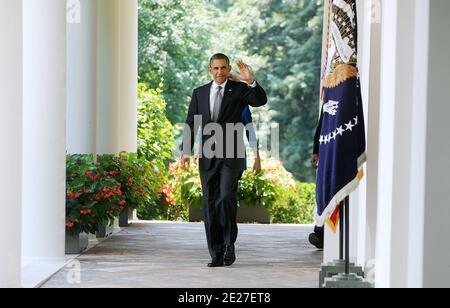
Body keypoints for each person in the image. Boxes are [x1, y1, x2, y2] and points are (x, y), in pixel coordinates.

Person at [181, 54, 268, 267]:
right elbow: (191, 122)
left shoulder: (238, 90)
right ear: (210, 69)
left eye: (223, 68)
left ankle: (229, 244)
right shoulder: (199, 93)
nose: (219, 72)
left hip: (232, 153)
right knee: (209, 202)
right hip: (207, 156)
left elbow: (259, 101)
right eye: (216, 68)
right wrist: (185, 150)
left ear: (228, 69)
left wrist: (250, 80)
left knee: (226, 197)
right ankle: (216, 252)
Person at [309, 108, 324, 249]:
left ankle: (321, 233)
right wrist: (315, 151)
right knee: (322, 193)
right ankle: (320, 232)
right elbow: (320, 127)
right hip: (325, 151)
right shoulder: (329, 97)